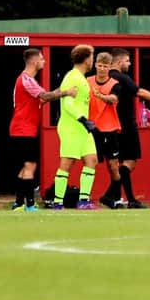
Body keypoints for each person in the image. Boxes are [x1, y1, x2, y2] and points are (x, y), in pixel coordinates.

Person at [9, 48, 77, 212]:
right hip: (23, 128)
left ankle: (18, 203)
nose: (44, 61)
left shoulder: (28, 80)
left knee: (26, 167)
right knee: (30, 165)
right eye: (41, 58)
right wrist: (66, 92)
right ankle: (30, 204)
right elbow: (45, 96)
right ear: (33, 61)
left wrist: (60, 90)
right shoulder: (26, 79)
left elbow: (42, 98)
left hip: (24, 128)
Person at [109, 48, 150, 208]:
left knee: (117, 164)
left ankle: (120, 199)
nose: (130, 63)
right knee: (130, 162)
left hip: (111, 126)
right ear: (120, 62)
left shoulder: (107, 79)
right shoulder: (122, 78)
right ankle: (115, 196)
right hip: (126, 124)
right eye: (127, 60)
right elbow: (139, 92)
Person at [53, 45, 100, 210]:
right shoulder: (72, 77)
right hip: (71, 126)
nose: (93, 60)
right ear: (86, 59)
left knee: (92, 160)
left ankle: (84, 201)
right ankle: (57, 202)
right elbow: (68, 103)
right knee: (67, 163)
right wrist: (83, 119)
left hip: (82, 127)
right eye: (92, 57)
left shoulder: (81, 78)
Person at [87, 52, 124, 209]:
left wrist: (100, 95)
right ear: (95, 65)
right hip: (92, 129)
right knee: (89, 163)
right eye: (99, 65)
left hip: (109, 129)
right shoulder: (87, 81)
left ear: (110, 67)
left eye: (105, 66)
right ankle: (84, 198)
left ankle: (116, 198)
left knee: (113, 166)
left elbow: (114, 99)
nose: (102, 69)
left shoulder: (115, 84)